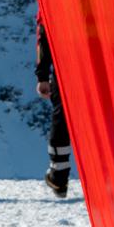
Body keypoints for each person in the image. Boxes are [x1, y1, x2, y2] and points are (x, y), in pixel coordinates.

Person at [34, 22, 72, 197]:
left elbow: (45, 33)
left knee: (62, 116)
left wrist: (42, 76)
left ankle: (59, 176)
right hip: (98, 65)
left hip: (67, 66)